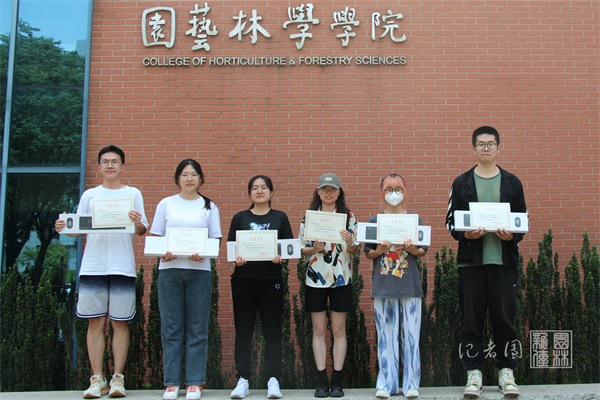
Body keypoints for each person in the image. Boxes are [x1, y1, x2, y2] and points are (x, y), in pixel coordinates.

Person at [55, 145, 148, 399]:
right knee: (94, 322)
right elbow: (77, 229)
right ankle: (97, 379)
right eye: (105, 161)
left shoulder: (133, 194)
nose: (110, 165)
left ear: (123, 167)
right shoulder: (90, 195)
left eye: (115, 161)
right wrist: (64, 226)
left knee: (120, 323)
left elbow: (142, 230)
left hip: (121, 266)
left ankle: (118, 379)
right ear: (99, 167)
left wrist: (136, 221)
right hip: (94, 265)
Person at [445, 126, 527, 398]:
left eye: (491, 144)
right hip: (472, 263)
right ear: (474, 149)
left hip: (504, 262)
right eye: (481, 144)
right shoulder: (461, 183)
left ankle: (507, 372)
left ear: (498, 148)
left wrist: (511, 236)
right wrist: (465, 234)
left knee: (505, 319)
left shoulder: (512, 182)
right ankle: (473, 374)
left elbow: (521, 220)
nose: (486, 148)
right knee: (471, 320)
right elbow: (450, 222)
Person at [150, 159, 222, 400]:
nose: (189, 179)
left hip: (199, 273)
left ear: (201, 179)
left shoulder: (209, 206)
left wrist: (203, 254)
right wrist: (163, 252)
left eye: (194, 174)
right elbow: (156, 236)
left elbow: (215, 239)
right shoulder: (165, 204)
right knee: (171, 328)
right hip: (169, 272)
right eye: (184, 174)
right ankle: (171, 383)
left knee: (198, 328)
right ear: (177, 178)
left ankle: (194, 382)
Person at [228, 175, 294, 400]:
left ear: (271, 192)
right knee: (243, 331)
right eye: (255, 188)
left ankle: (273, 379)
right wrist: (236, 259)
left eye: (264, 187)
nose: (259, 191)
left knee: (273, 331)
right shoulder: (240, 218)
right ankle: (243, 380)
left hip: (270, 279)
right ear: (250, 193)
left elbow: (288, 247)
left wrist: (280, 256)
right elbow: (231, 249)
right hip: (244, 279)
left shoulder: (279, 217)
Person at [364, 173, 427, 399]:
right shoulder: (374, 221)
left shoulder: (414, 220)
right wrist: (380, 250)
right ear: (382, 193)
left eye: (398, 189)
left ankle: (411, 384)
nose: (394, 193)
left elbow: (422, 251)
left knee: (411, 337)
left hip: (410, 286)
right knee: (386, 338)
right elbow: (368, 253)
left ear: (405, 192)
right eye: (389, 189)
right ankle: (386, 384)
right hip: (384, 286)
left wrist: (412, 250)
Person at [298, 173, 359, 398]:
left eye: (333, 189)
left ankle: (337, 379)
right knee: (319, 329)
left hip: (341, 278)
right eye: (324, 189)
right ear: (318, 192)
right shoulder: (310, 217)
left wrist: (350, 241)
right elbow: (302, 249)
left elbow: (355, 250)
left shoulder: (348, 217)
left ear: (339, 192)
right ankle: (321, 378)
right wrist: (315, 248)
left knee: (339, 329)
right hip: (316, 279)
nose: (328, 192)